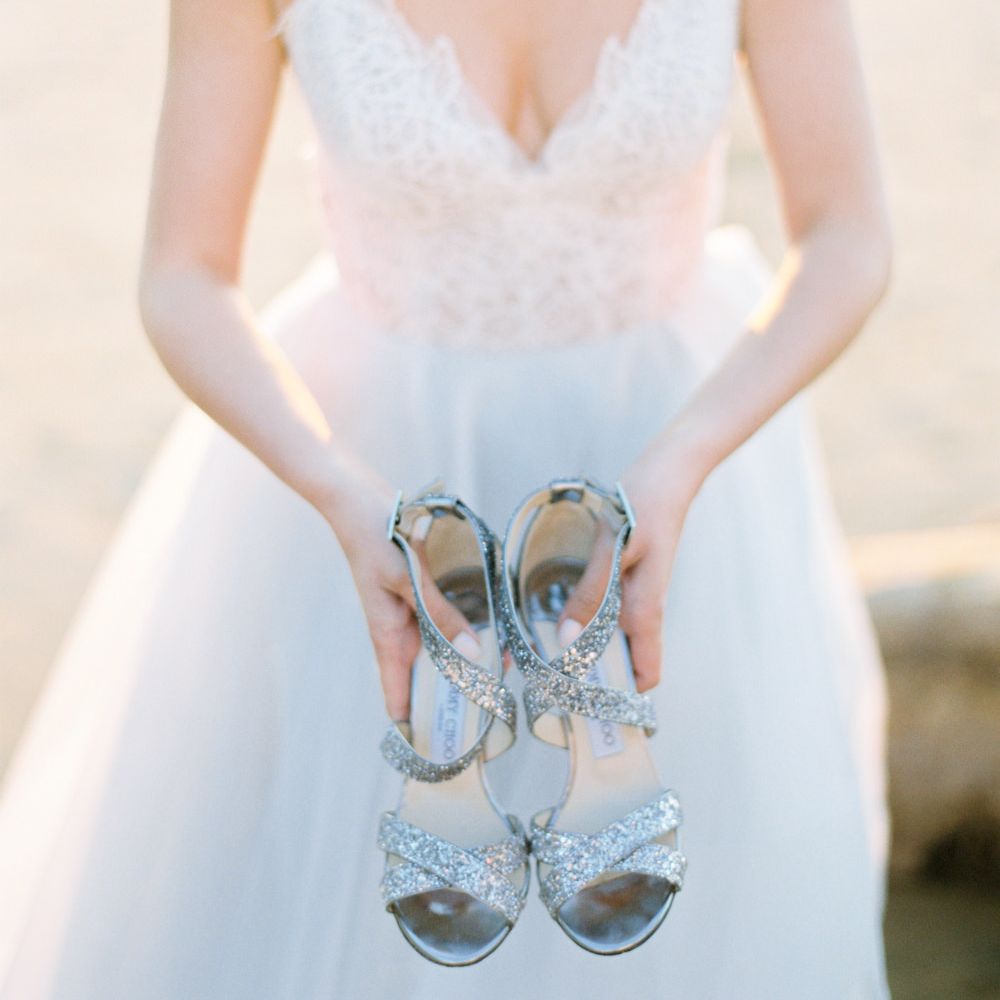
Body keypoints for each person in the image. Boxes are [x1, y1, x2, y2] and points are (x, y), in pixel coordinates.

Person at [0, 0, 895, 995]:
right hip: (359, 482)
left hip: (681, 477)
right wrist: (333, 484)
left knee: (702, 922)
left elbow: (847, 234)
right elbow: (184, 274)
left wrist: (684, 458)